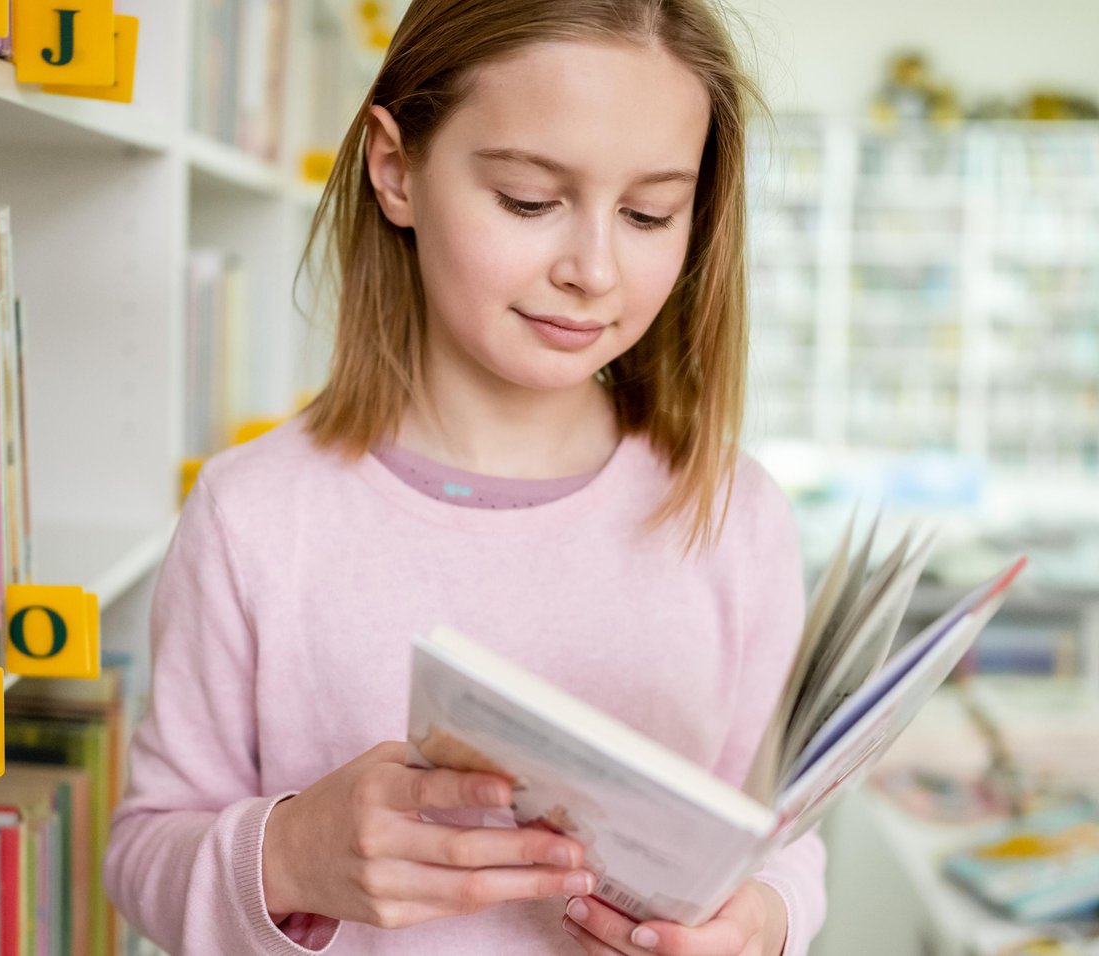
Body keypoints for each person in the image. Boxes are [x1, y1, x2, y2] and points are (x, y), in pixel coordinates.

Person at [103, 0, 827, 953]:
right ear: (396, 169)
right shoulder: (254, 514)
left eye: (650, 213)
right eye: (530, 200)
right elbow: (144, 852)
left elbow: (783, 840)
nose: (594, 269)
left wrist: (761, 923)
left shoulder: (732, 516)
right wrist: (290, 855)